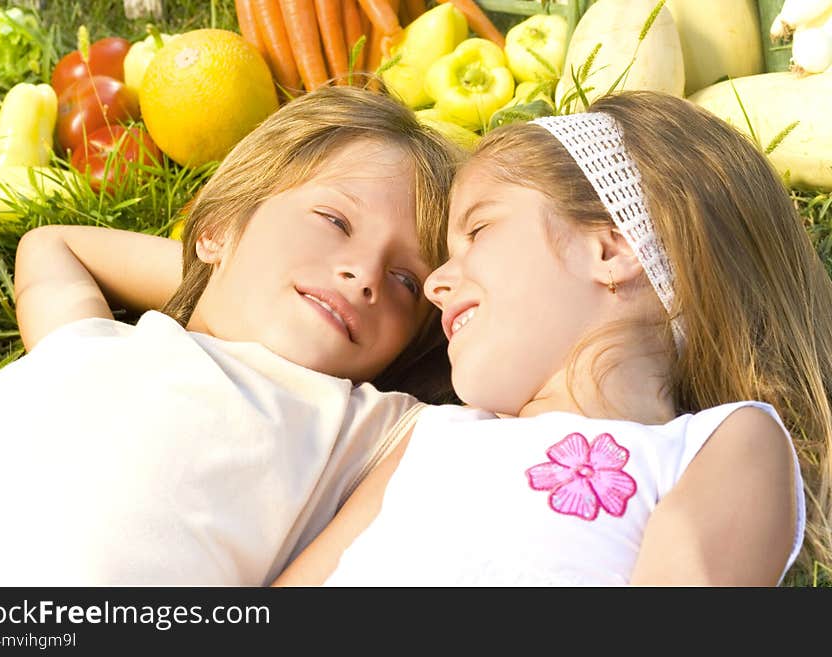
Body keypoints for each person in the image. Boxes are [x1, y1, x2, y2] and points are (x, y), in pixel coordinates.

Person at [273, 90, 832, 587]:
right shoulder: (426, 434)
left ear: (611, 252)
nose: (437, 284)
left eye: (479, 229)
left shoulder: (720, 443)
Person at [0, 85, 463, 586]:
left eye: (407, 281)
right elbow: (53, 245)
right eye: (334, 221)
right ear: (217, 226)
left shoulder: (375, 431)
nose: (367, 274)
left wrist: (246, 273)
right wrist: (218, 266)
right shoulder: (89, 342)